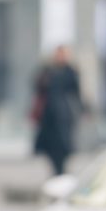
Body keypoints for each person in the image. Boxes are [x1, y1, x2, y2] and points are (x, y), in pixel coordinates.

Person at [31, 44, 83, 176]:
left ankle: (61, 171)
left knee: (64, 146)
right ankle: (56, 171)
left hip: (64, 114)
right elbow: (37, 87)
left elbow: (77, 93)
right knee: (50, 146)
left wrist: (81, 110)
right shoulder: (48, 71)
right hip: (49, 115)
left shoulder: (70, 71)